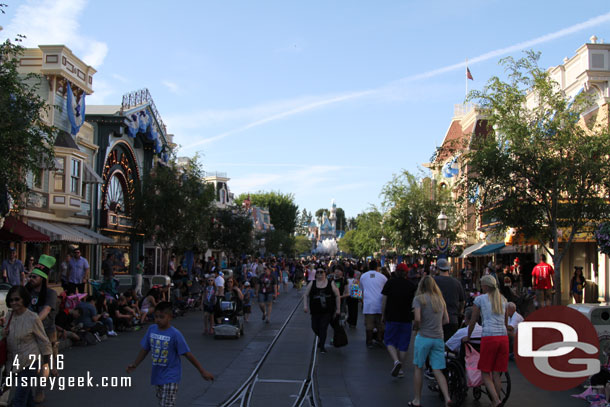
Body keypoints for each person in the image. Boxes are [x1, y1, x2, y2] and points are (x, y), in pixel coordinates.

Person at [127, 302, 214, 407]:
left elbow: (187, 354)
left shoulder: (175, 334)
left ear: (170, 317)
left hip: (171, 376)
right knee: (162, 403)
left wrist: (202, 371)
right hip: (157, 375)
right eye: (156, 317)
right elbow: (145, 349)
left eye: (162, 317)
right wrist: (135, 364)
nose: (158, 320)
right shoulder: (152, 329)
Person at [4, 285, 52, 407]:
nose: (14, 303)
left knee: (19, 398)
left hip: (30, 361)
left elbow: (43, 340)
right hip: (14, 362)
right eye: (11, 300)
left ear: (24, 299)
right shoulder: (9, 316)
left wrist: (46, 362)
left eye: (17, 299)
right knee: (27, 396)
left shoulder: (32, 317)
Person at [465, 275, 508, 407]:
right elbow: (506, 322)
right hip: (503, 337)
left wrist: (468, 335)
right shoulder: (503, 300)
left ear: (485, 286)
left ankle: (496, 401)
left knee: (485, 372)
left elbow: (473, 320)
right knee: (496, 373)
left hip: (489, 337)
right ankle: (497, 398)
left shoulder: (480, 300)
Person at [410, 276, 453, 407]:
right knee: (437, 370)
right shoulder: (440, 300)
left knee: (418, 367)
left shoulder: (419, 299)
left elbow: (417, 318)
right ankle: (447, 398)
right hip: (438, 337)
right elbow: (447, 320)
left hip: (423, 336)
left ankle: (417, 400)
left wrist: (416, 327)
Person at [25, 255, 59, 402]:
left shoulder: (50, 293)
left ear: (42, 279)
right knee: (29, 364)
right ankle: (25, 392)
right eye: (30, 276)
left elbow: (45, 311)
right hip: (29, 333)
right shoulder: (25, 292)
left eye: (34, 276)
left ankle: (40, 390)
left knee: (44, 363)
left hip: (46, 332)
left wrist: (33, 322)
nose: (30, 278)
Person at [381, 263, 417, 377]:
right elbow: (415, 304)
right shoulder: (412, 285)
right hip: (406, 318)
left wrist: (383, 314)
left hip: (392, 316)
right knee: (403, 344)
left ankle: (396, 361)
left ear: (396, 272)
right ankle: (400, 367)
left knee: (389, 341)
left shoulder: (390, 283)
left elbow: (384, 301)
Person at [303, 267, 341, 353]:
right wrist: (305, 306)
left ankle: (322, 346)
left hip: (327, 311)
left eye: (322, 272)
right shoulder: (312, 283)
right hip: (315, 311)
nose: (320, 274)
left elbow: (338, 295)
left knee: (323, 327)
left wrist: (338, 309)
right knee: (315, 327)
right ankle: (322, 337)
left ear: (325, 273)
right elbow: (306, 295)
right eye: (318, 272)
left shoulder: (332, 283)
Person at [433, 258, 465, 341]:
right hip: (453, 319)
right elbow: (462, 301)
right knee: (450, 348)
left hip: (436, 319)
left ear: (438, 269)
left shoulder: (433, 281)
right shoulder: (456, 282)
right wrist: (460, 312)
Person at [359, 259, 388, 349]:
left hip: (368, 304)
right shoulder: (383, 277)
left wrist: (362, 300)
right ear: (377, 267)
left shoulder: (363, 276)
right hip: (380, 304)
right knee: (380, 324)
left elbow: (361, 289)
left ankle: (369, 341)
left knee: (369, 324)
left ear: (368, 266)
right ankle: (379, 339)